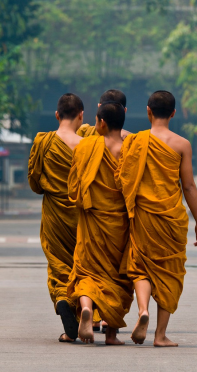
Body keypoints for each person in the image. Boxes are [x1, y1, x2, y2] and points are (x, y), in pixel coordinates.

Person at [115, 90, 197, 347]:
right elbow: (188, 186)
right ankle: (160, 335)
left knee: (140, 266)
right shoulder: (182, 145)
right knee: (169, 271)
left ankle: (142, 310)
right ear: (174, 114)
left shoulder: (135, 141)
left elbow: (123, 178)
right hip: (170, 218)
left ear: (148, 111)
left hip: (143, 214)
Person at [67, 101, 134, 345]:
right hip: (119, 224)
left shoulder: (86, 146)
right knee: (117, 278)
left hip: (92, 220)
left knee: (86, 270)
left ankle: (87, 307)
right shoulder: (131, 149)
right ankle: (112, 335)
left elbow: (74, 185)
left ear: (102, 122)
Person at [28, 93, 84, 343]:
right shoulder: (87, 146)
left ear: (57, 115)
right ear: (81, 116)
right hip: (82, 216)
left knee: (59, 263)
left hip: (54, 213)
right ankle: (85, 311)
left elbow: (34, 181)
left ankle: (62, 298)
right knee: (82, 263)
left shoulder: (44, 141)